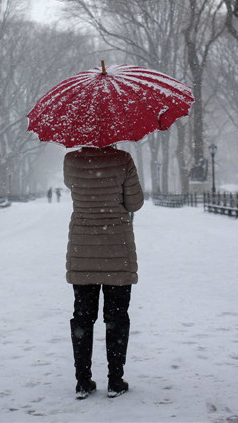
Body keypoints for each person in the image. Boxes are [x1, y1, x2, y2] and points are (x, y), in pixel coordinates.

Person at [63, 145, 144, 400]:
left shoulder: (71, 160)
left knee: (83, 317)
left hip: (83, 248)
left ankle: (83, 381)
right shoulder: (123, 160)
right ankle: (115, 380)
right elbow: (135, 202)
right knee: (117, 316)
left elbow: (74, 189)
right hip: (116, 248)